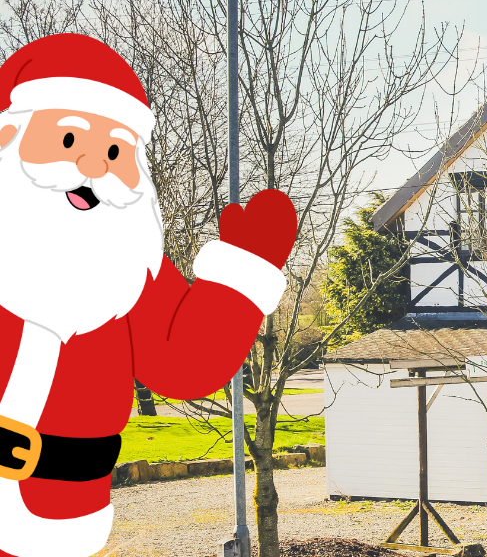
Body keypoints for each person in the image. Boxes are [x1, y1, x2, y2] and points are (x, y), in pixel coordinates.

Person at [0, 33, 297, 557]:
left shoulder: (129, 269)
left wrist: (241, 276)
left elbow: (184, 362)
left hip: (68, 515)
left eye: (115, 150)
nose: (93, 166)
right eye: (70, 141)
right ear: (7, 136)